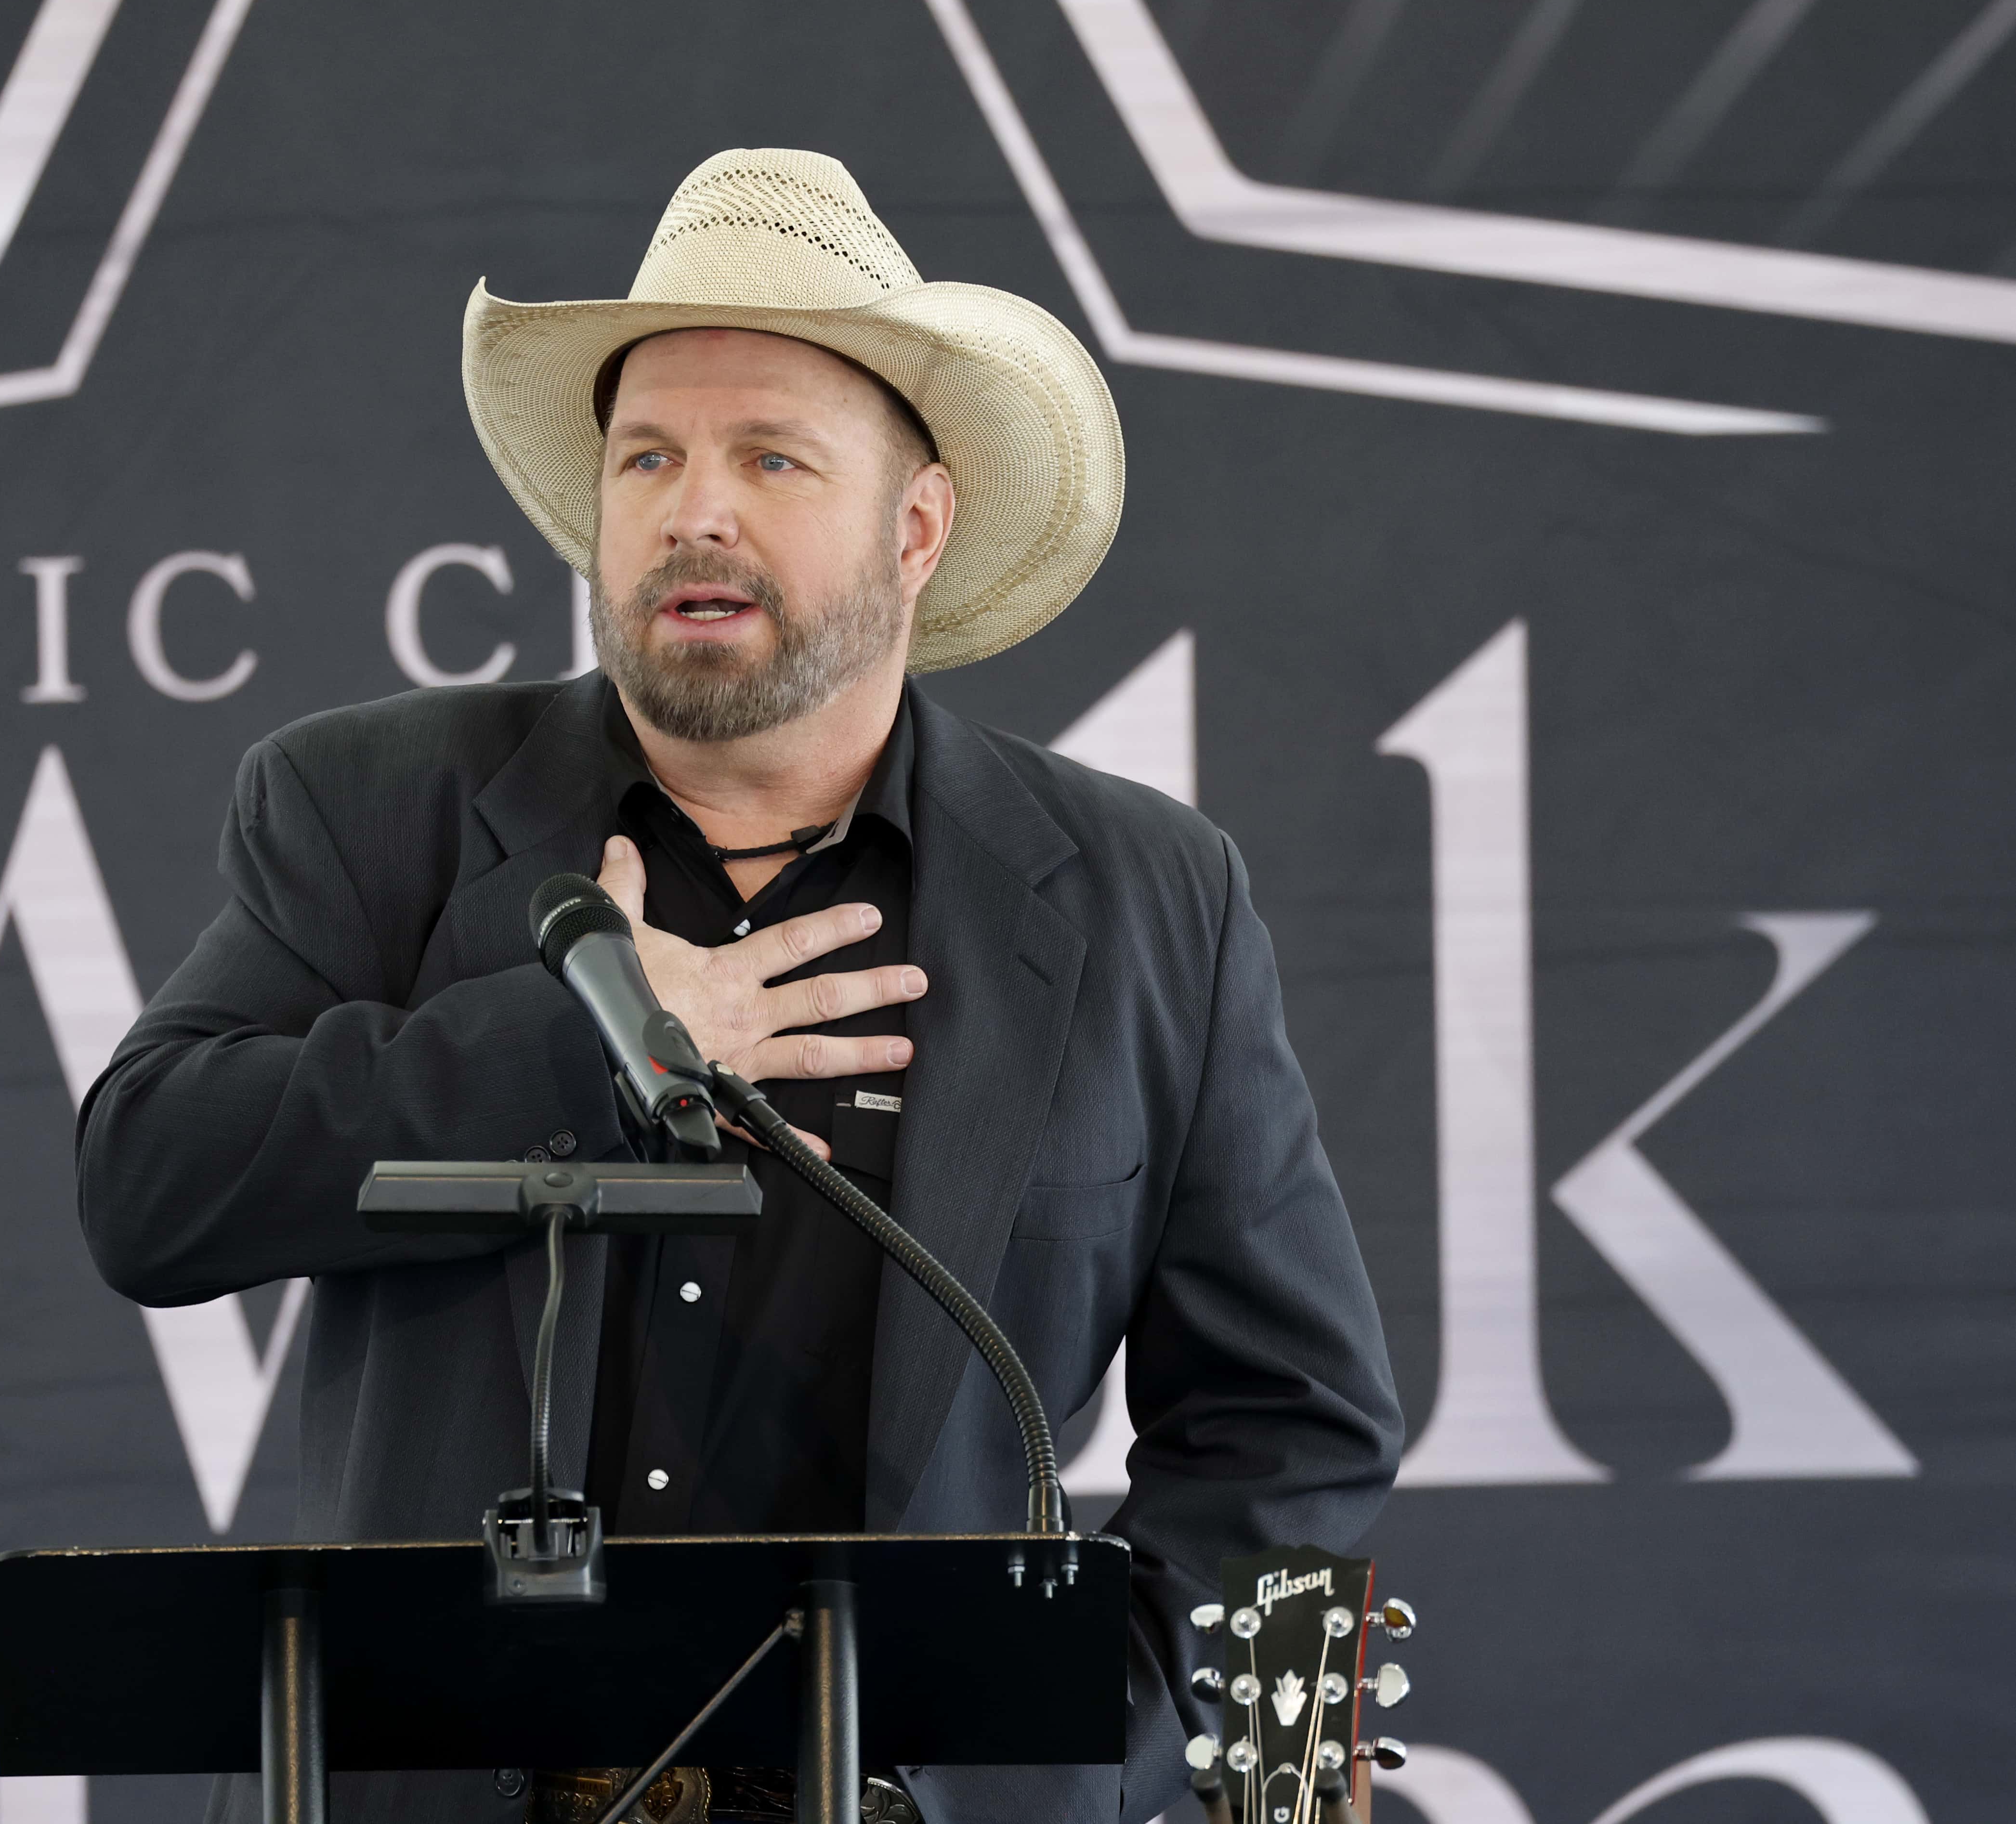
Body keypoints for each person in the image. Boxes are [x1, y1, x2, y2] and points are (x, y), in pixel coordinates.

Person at [79, 148, 1401, 1824]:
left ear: (915, 527)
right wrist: (588, 1042)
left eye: (771, 457)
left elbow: (1293, 1423)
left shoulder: (1149, 897)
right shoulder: (372, 808)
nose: (694, 509)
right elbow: (148, 1186)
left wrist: (1070, 1733)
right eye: (648, 458)